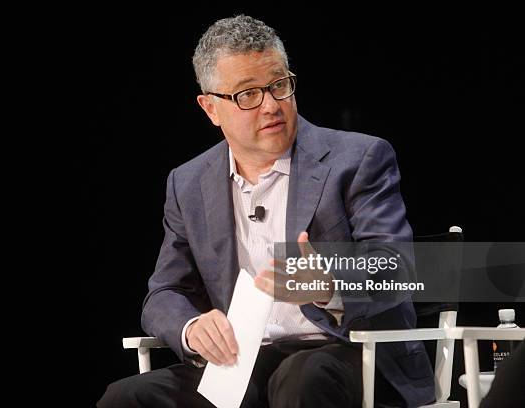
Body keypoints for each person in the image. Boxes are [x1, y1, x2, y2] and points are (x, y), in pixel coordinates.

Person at [98, 15, 434, 407]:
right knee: (126, 397)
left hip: (350, 352)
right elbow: (164, 293)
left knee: (299, 378)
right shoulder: (188, 183)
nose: (271, 105)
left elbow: (396, 267)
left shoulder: (357, 159)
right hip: (245, 364)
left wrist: (327, 285)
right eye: (247, 95)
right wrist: (191, 327)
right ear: (211, 108)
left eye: (279, 85)